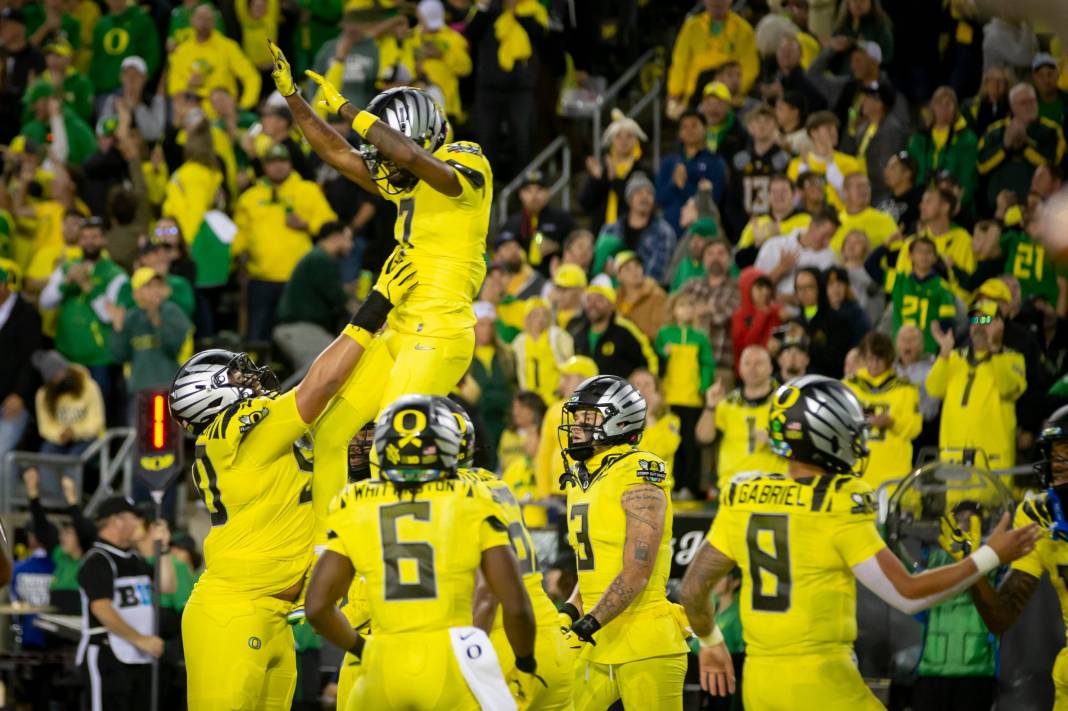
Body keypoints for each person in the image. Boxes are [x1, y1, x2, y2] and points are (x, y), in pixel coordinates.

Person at [680, 375, 1041, 710]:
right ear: (825, 435)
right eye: (851, 429)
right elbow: (909, 594)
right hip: (820, 680)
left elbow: (694, 588)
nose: (858, 439)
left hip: (759, 685)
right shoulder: (837, 502)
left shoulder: (745, 495)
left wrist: (710, 642)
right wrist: (991, 555)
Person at [168, 249, 417, 709]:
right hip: (233, 611)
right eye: (238, 377)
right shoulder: (229, 434)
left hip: (276, 614)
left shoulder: (256, 438)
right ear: (212, 397)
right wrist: (376, 304)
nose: (254, 381)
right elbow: (319, 386)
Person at [269, 43, 495, 529]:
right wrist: (295, 99)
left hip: (438, 335)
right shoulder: (407, 176)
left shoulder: (466, 164)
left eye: (387, 151)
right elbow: (341, 155)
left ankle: (382, 574)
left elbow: (406, 153)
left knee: (389, 448)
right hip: (398, 330)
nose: (382, 166)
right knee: (330, 435)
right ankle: (329, 556)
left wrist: (350, 109)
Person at [304, 395, 539, 710]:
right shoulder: (472, 497)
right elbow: (516, 604)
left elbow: (317, 607)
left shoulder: (355, 501)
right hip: (450, 663)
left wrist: (363, 649)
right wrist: (525, 663)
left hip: (381, 665)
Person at [557, 375, 694, 709]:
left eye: (587, 416)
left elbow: (637, 571)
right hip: (599, 634)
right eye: (576, 416)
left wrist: (586, 624)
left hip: (646, 640)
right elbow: (594, 565)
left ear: (618, 418)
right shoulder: (581, 475)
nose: (576, 424)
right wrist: (569, 610)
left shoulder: (638, 471)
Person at [444, 399, 575, 709]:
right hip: (550, 641)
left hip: (503, 648)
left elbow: (488, 591)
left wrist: (466, 662)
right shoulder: (495, 482)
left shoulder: (453, 495)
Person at [969, 405, 1068, 708]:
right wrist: (974, 563)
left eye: (1065, 454)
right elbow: (1001, 615)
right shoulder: (1041, 516)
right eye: (1054, 456)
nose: (1056, 466)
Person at [77, 496, 175, 711]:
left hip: (136, 655)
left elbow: (167, 586)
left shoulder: (134, 558)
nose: (140, 524)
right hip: (108, 654)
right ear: (117, 521)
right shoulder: (99, 559)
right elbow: (101, 607)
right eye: (135, 518)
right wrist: (140, 639)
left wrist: (164, 549)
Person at [233, 143, 338, 342]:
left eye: (283, 161)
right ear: (264, 166)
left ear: (290, 163)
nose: (278, 166)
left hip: (297, 281)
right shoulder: (250, 197)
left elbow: (330, 225)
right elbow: (240, 236)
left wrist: (307, 224)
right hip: (261, 278)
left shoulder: (307, 190)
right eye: (272, 162)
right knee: (257, 338)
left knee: (297, 338)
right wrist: (235, 261)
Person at [927, 299, 1026, 471]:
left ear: (1000, 325)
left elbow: (1008, 388)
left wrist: (995, 348)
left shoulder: (1013, 359)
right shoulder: (954, 358)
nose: (978, 326)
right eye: (974, 320)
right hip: (954, 460)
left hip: (992, 462)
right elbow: (933, 389)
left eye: (985, 320)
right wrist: (944, 352)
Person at [464, 0, 546, 180]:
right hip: (488, 88)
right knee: (486, 140)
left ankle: (523, 189)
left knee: (522, 138)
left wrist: (517, 12)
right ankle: (487, 192)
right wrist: (484, 8)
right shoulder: (486, 9)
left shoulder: (532, 9)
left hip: (521, 89)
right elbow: (470, 33)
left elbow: (540, 35)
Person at [697, 344, 783, 495]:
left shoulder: (783, 403)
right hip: (732, 488)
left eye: (759, 363)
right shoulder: (728, 403)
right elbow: (703, 439)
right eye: (747, 363)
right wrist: (710, 407)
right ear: (740, 368)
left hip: (772, 490)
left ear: (770, 368)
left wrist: (775, 442)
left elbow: (801, 448)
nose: (752, 368)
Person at [655, 290, 715, 497]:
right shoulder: (664, 333)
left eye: (690, 306)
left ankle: (691, 486)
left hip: (692, 399)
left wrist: (703, 387)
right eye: (682, 305)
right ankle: (673, 483)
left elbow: (707, 364)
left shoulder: (700, 337)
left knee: (691, 445)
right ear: (673, 309)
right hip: (670, 398)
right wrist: (664, 353)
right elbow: (656, 360)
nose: (686, 310)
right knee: (673, 444)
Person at [844, 332, 921, 490]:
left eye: (879, 359)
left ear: (889, 359)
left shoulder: (906, 390)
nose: (874, 364)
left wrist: (892, 422)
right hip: (854, 474)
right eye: (869, 358)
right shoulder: (848, 386)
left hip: (892, 476)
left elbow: (914, 428)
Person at [274, 221, 354, 369]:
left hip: (301, 329)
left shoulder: (317, 257)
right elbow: (341, 299)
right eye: (349, 239)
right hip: (302, 330)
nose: (351, 245)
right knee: (331, 367)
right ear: (336, 237)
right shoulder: (320, 259)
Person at [109, 268, 193, 407]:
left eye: (158, 285)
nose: (155, 290)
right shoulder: (131, 317)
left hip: (170, 389)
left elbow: (173, 348)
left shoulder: (173, 312)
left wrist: (157, 322)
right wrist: (118, 329)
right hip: (139, 390)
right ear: (136, 293)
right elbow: (120, 356)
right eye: (148, 286)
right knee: (140, 429)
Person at [978, 82, 1066, 208]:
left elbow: (1054, 164)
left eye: (1032, 101)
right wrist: (1005, 147)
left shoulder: (1052, 130)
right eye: (1023, 103)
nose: (1029, 106)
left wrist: (1025, 147)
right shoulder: (994, 132)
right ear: (1012, 106)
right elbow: (982, 165)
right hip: (999, 207)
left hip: (1039, 207)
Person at [666, 0, 758, 114]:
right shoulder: (691, 27)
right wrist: (674, 94)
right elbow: (679, 63)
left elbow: (750, 69)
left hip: (731, 102)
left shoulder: (745, 30)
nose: (717, 2)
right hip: (694, 100)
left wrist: (733, 91)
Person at [167, 5, 261, 110]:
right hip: (193, 112)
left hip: (222, 113)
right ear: (191, 21)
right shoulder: (182, 51)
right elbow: (174, 88)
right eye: (200, 18)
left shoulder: (228, 47)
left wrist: (244, 106)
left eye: (207, 19)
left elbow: (251, 77)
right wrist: (189, 85)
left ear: (214, 23)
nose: (203, 23)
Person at [593, 172, 678, 285]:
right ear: (629, 199)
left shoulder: (664, 232)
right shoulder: (610, 229)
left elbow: (658, 272)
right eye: (638, 192)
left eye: (649, 194)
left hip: (646, 294)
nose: (644, 197)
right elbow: (601, 264)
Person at [724, 104, 791, 239]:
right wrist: (742, 227)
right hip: (744, 227)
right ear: (749, 127)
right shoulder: (740, 160)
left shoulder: (784, 160)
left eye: (767, 121)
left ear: (776, 125)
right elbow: (732, 198)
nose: (762, 126)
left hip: (776, 227)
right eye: (757, 121)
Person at [656, 110, 727, 237]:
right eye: (684, 126)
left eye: (694, 125)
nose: (689, 130)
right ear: (679, 133)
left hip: (701, 232)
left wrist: (684, 185)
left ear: (705, 129)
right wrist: (674, 184)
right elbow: (660, 198)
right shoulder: (669, 162)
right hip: (670, 230)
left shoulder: (715, 162)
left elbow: (713, 199)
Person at [568, 282, 658, 379]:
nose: (592, 304)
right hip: (587, 392)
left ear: (611, 305)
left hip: (618, 392)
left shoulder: (625, 330)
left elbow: (649, 358)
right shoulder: (578, 331)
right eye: (589, 299)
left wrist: (650, 384)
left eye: (599, 299)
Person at [908, 87, 980, 208]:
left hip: (952, 202)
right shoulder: (919, 138)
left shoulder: (967, 139)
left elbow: (968, 179)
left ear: (955, 108)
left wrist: (956, 203)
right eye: (939, 103)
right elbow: (911, 172)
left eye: (948, 104)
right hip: (920, 200)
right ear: (932, 107)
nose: (943, 108)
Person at [580, 111, 650, 235]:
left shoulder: (642, 170)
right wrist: (595, 179)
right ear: (611, 140)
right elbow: (585, 203)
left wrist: (614, 180)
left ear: (636, 140)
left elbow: (637, 203)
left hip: (631, 234)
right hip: (601, 234)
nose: (624, 141)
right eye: (618, 136)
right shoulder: (602, 168)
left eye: (629, 136)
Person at [498, 170, 575, 277]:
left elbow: (577, 247)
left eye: (539, 190)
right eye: (528, 190)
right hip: (517, 281)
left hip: (553, 278)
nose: (534, 196)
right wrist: (509, 252)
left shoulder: (562, 218)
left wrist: (558, 248)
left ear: (548, 192)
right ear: (521, 194)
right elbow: (499, 251)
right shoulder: (512, 222)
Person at [680, 237, 742, 370]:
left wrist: (695, 310)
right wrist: (710, 308)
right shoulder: (690, 285)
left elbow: (722, 316)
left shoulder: (737, 287)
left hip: (719, 365)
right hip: (686, 362)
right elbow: (677, 314)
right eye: (710, 253)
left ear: (730, 259)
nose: (715, 257)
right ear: (703, 259)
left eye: (721, 253)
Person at [755, 206, 840, 303]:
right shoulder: (774, 245)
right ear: (812, 226)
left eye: (831, 237)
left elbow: (824, 298)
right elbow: (755, 287)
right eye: (825, 236)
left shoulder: (830, 259)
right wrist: (780, 269)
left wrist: (781, 298)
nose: (827, 242)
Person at [0, 261, 41, 461]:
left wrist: (19, 394)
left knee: (2, 455)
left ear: (4, 285)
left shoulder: (27, 314)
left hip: (13, 400)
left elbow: (31, 359)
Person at [786, 110, 863, 210]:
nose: (834, 132)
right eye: (828, 128)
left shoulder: (850, 162)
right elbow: (792, 201)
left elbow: (857, 199)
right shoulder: (797, 164)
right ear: (814, 132)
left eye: (835, 128)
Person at [88, 0, 159, 97]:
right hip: (102, 88)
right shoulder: (101, 24)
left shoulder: (141, 20)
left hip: (129, 86)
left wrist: (142, 79)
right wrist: (93, 85)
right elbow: (96, 58)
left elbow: (152, 53)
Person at [512, 297, 573, 407]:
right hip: (530, 400)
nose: (540, 319)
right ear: (528, 318)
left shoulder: (559, 336)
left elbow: (569, 364)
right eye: (535, 315)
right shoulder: (519, 342)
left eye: (544, 315)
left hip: (555, 397)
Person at [793, 268, 853, 378]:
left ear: (820, 288)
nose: (804, 293)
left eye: (809, 287)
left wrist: (806, 340)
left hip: (826, 381)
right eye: (799, 288)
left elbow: (836, 360)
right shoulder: (794, 322)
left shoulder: (838, 320)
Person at [832, 171, 899, 255]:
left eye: (867, 186)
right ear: (846, 192)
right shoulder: (835, 222)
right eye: (859, 186)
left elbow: (897, 252)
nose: (864, 190)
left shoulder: (884, 219)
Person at [731, 268, 782, 368]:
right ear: (747, 289)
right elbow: (746, 346)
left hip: (773, 368)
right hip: (746, 372)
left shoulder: (776, 311)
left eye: (767, 287)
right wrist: (761, 315)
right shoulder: (739, 315)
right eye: (760, 288)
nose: (765, 292)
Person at [615, 251, 669, 342]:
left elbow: (661, 333)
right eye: (628, 268)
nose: (634, 271)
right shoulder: (615, 298)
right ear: (619, 276)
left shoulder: (657, 296)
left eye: (637, 266)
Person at [875, 150, 922, 235]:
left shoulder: (918, 203)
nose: (886, 172)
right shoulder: (882, 200)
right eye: (887, 167)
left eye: (892, 168)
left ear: (907, 173)